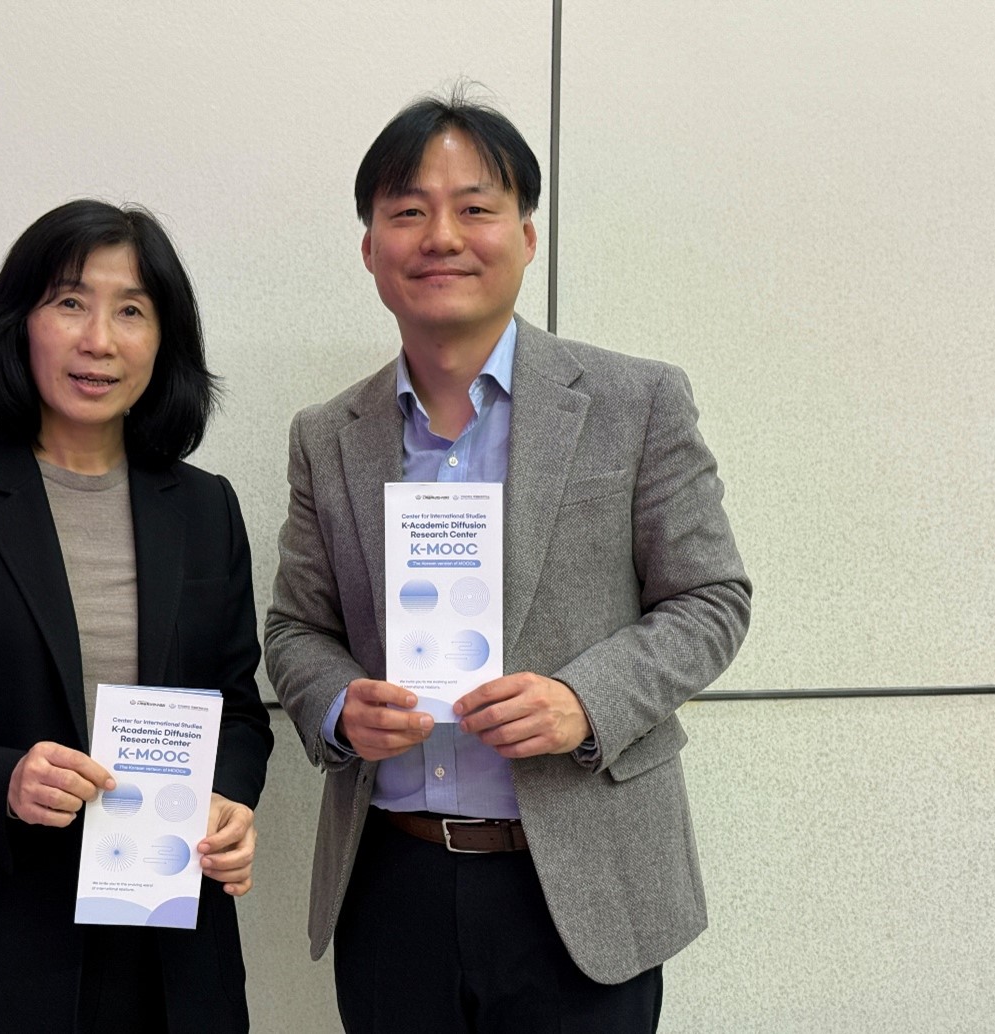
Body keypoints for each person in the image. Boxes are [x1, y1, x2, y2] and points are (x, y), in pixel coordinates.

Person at [264, 91, 751, 1033]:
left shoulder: (634, 401)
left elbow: (710, 598)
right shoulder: (327, 435)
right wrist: (336, 704)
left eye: (475, 208)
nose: (441, 236)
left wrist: (584, 701)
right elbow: (295, 627)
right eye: (408, 210)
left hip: (582, 884)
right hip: (391, 880)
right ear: (370, 248)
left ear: (525, 237)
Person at [0, 199, 273, 1034]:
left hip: (171, 953)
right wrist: (3, 779)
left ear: (164, 340)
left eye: (131, 311)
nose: (98, 339)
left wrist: (228, 798)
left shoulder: (204, 509)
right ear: (21, 324)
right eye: (70, 302)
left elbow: (238, 709)